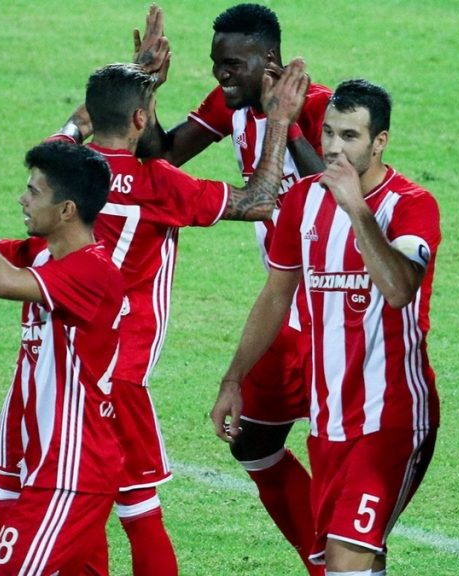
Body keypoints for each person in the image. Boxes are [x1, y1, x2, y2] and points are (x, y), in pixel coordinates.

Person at [36, 53, 311, 575]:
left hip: (53, 370)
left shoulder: (58, 168)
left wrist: (119, 90)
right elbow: (259, 200)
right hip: (116, 373)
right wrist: (278, 122)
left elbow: (71, 130)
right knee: (139, 511)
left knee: (77, 503)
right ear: (141, 118)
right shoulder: (157, 184)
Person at [212, 79, 441, 576]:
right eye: (330, 133)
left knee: (344, 562)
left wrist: (356, 207)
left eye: (350, 136)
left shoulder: (410, 205)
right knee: (360, 560)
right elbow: (276, 295)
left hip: (391, 420)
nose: (334, 147)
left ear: (379, 142)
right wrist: (234, 378)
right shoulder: (302, 202)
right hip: (329, 422)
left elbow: (399, 289)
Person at [139, 4, 333, 574]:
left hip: (339, 317)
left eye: (233, 65)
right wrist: (146, 87)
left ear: (269, 61)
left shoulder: (324, 108)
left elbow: (340, 198)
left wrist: (286, 122)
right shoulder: (232, 106)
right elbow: (161, 157)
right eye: (215, 63)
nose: (221, 75)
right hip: (283, 313)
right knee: (252, 442)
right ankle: (323, 560)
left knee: (336, 453)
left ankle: (347, 558)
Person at [0, 133, 124, 575]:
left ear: (66, 210)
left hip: (70, 471)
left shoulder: (93, 272)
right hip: (39, 459)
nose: (22, 199)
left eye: (34, 191)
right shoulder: (46, 255)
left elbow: (2, 281)